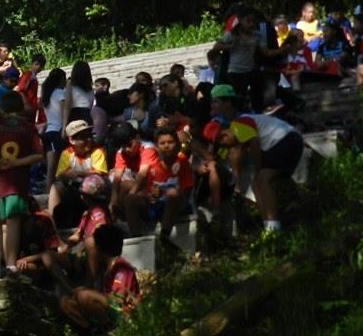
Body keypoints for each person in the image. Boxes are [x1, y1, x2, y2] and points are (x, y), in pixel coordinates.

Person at [205, 85, 304, 234]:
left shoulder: (240, 123)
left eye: (222, 140)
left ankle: (274, 228)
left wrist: (258, 169)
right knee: (257, 183)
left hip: (285, 140)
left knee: (262, 179)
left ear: (225, 133)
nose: (223, 144)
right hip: (281, 143)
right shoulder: (237, 128)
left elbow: (255, 143)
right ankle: (268, 226)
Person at [0, 91, 44, 273]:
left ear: (2, 109)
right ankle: (10, 264)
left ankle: (4, 264)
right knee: (12, 222)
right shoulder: (29, 127)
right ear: (20, 109)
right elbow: (38, 154)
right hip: (16, 182)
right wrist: (17, 162)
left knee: (0, 223)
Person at [58, 225, 140, 332]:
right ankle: (92, 330)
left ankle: (111, 329)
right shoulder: (103, 267)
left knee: (84, 295)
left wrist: (87, 292)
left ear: (99, 248)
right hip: (108, 309)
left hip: (123, 313)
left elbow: (118, 299)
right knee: (65, 302)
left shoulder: (122, 268)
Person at [122, 125, 193, 237]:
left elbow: (187, 190)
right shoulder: (152, 167)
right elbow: (148, 193)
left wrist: (167, 194)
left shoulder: (182, 161)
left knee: (172, 193)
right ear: (157, 147)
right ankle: (137, 238)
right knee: (130, 198)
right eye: (162, 143)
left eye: (170, 142)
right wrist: (150, 195)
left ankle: (164, 236)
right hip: (158, 206)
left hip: (178, 205)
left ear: (177, 144)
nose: (166, 146)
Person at [48, 120, 108, 229]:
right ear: (72, 140)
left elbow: (100, 173)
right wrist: (66, 175)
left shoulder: (97, 151)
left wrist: (79, 173)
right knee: (56, 187)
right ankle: (52, 224)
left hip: (95, 193)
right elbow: (59, 175)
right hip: (74, 193)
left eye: (89, 136)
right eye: (83, 137)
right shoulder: (67, 153)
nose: (88, 140)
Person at [62, 60, 95, 125]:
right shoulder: (90, 89)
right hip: (87, 117)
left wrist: (64, 126)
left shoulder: (70, 85)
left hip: (75, 116)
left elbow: (67, 107)